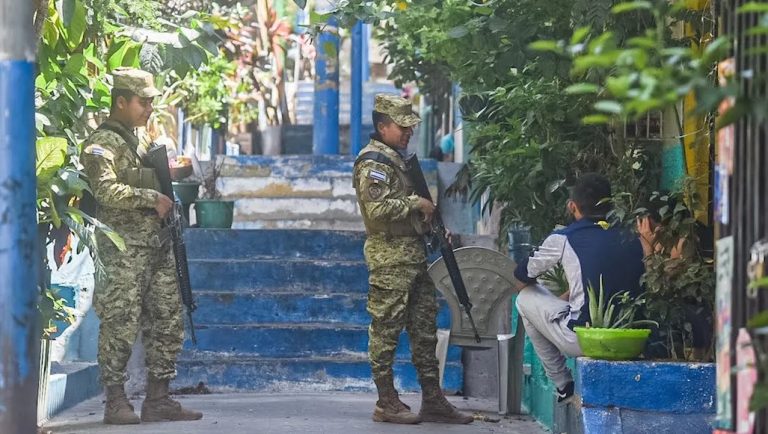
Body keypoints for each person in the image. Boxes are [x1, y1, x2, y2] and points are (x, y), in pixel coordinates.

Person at [81, 67, 202, 425]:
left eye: (151, 102)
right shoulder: (101, 144)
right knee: (119, 324)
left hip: (158, 247)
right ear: (121, 102)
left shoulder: (143, 141)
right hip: (123, 251)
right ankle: (115, 401)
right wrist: (151, 198)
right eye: (143, 102)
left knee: (167, 320)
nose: (149, 109)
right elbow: (105, 191)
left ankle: (159, 399)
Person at [353, 94, 473, 425]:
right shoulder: (375, 163)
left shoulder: (399, 159)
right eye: (401, 127)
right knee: (386, 330)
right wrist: (416, 204)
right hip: (389, 258)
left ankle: (433, 399)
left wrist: (431, 225)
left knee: (424, 330)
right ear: (383, 127)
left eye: (410, 127)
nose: (408, 132)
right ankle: (386, 401)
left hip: (413, 256)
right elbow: (376, 209)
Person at [513, 173, 645, 402]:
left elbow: (521, 276)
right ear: (611, 205)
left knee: (524, 298)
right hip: (631, 340)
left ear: (572, 206)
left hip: (584, 339)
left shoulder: (565, 238)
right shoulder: (634, 236)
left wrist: (555, 300)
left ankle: (562, 383)